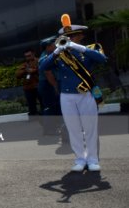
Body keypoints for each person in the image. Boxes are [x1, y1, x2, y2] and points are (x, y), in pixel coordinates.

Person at [39, 14, 108, 172]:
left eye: (71, 37)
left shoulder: (91, 48)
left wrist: (80, 48)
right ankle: (80, 159)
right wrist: (56, 51)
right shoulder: (60, 53)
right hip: (67, 96)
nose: (68, 40)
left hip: (86, 94)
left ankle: (92, 159)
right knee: (73, 129)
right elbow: (43, 67)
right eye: (65, 37)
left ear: (80, 36)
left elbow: (102, 59)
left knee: (90, 128)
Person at [37, 36, 63, 136]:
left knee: (54, 107)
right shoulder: (44, 58)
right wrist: (56, 87)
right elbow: (48, 74)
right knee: (50, 107)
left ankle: (54, 127)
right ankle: (49, 129)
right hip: (48, 84)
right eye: (53, 44)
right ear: (48, 47)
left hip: (49, 84)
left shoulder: (51, 55)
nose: (56, 45)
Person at [16, 49, 41, 115]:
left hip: (39, 86)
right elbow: (17, 75)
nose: (28, 57)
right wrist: (25, 71)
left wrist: (34, 70)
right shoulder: (24, 64)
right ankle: (34, 116)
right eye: (26, 56)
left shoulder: (39, 61)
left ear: (33, 54)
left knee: (43, 102)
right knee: (31, 105)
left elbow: (44, 70)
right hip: (28, 88)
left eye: (29, 55)